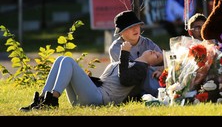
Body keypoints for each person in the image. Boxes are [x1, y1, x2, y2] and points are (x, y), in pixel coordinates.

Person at [19, 40, 163, 111]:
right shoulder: (132, 63)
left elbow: (125, 79)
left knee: (68, 61)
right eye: (156, 52)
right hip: (90, 95)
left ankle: (52, 101)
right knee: (61, 59)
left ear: (152, 64)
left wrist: (124, 53)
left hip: (99, 99)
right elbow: (105, 80)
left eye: (156, 56)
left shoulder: (141, 70)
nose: (154, 53)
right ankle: (43, 99)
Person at [108, 10, 164, 98]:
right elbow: (127, 74)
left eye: (137, 25)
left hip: (153, 82)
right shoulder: (116, 48)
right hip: (130, 89)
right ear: (121, 32)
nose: (135, 29)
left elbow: (163, 59)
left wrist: (161, 69)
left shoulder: (147, 43)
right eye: (130, 27)